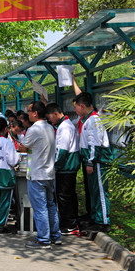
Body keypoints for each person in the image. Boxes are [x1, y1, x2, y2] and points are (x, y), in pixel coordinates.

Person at [17, 101, 61, 248]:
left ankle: (43, 239)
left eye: (29, 111)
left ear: (35, 113)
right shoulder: (50, 127)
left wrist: (24, 148)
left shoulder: (34, 129)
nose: (28, 114)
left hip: (37, 174)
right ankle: (55, 235)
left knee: (40, 208)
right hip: (49, 173)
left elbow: (23, 147)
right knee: (50, 205)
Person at [74, 91, 112, 230]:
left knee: (100, 191)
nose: (75, 111)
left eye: (76, 107)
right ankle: (95, 216)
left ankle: (103, 221)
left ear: (82, 106)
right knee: (93, 191)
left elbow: (94, 144)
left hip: (98, 162)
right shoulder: (87, 120)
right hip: (90, 160)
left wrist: (91, 161)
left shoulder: (94, 120)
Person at [45, 102, 80, 235]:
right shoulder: (65, 125)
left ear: (55, 114)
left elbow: (62, 150)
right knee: (69, 195)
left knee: (63, 196)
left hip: (66, 167)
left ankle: (69, 224)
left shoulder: (64, 127)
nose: (50, 120)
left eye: (50, 117)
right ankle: (72, 221)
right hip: (68, 166)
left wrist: (56, 166)